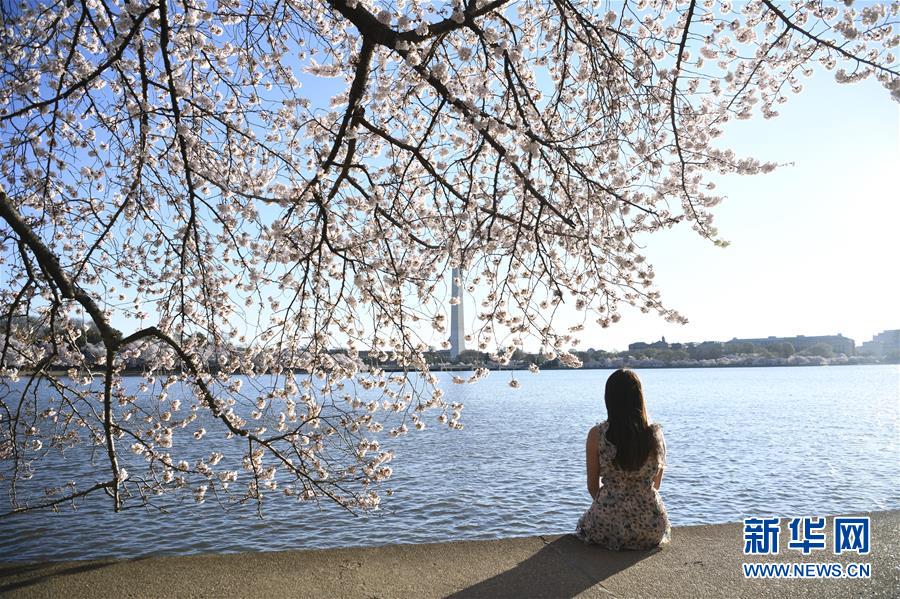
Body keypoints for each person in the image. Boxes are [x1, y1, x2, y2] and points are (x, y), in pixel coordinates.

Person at [575, 368, 671, 550]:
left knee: (584, 527)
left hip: (607, 525)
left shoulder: (597, 434)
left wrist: (614, 504)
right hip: (650, 526)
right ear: (639, 397)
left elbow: (592, 487)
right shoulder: (655, 434)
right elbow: (656, 484)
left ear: (609, 398)